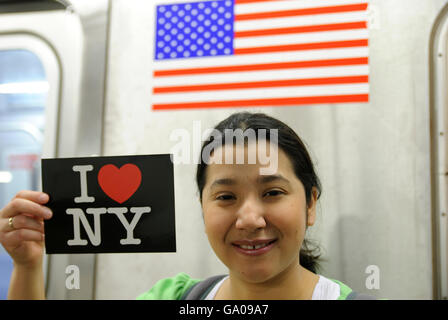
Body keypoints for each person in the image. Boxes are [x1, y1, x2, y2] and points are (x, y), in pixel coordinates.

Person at [0, 112, 355, 300]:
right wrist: (28, 267)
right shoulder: (174, 296)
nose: (249, 219)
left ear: (310, 203)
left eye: (273, 192)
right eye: (226, 197)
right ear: (203, 210)